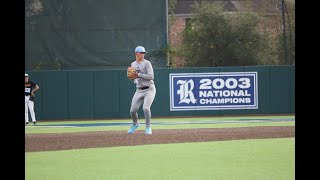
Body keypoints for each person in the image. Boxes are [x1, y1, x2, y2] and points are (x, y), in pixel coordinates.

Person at [127, 46, 156, 135]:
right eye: (141, 53)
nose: (143, 54)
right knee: (132, 110)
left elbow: (151, 76)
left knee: (146, 108)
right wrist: (131, 77)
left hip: (149, 89)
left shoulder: (147, 63)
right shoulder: (133, 64)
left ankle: (148, 127)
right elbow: (134, 77)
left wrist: (138, 74)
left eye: (144, 53)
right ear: (136, 53)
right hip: (139, 90)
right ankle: (135, 124)